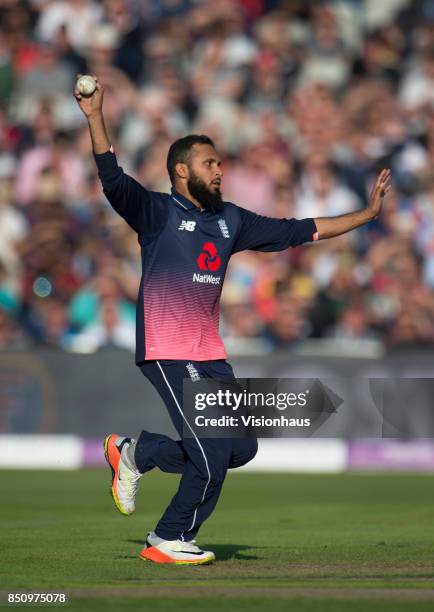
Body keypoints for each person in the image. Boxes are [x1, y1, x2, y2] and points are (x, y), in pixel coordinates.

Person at [74, 75, 391, 565]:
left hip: (210, 354)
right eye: (209, 163)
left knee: (239, 449)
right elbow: (113, 181)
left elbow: (300, 230)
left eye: (220, 162)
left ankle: (138, 453)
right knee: (210, 454)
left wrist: (367, 215)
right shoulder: (156, 213)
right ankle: (167, 538)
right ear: (181, 171)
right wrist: (95, 118)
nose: (219, 170)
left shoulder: (232, 221)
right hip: (168, 349)